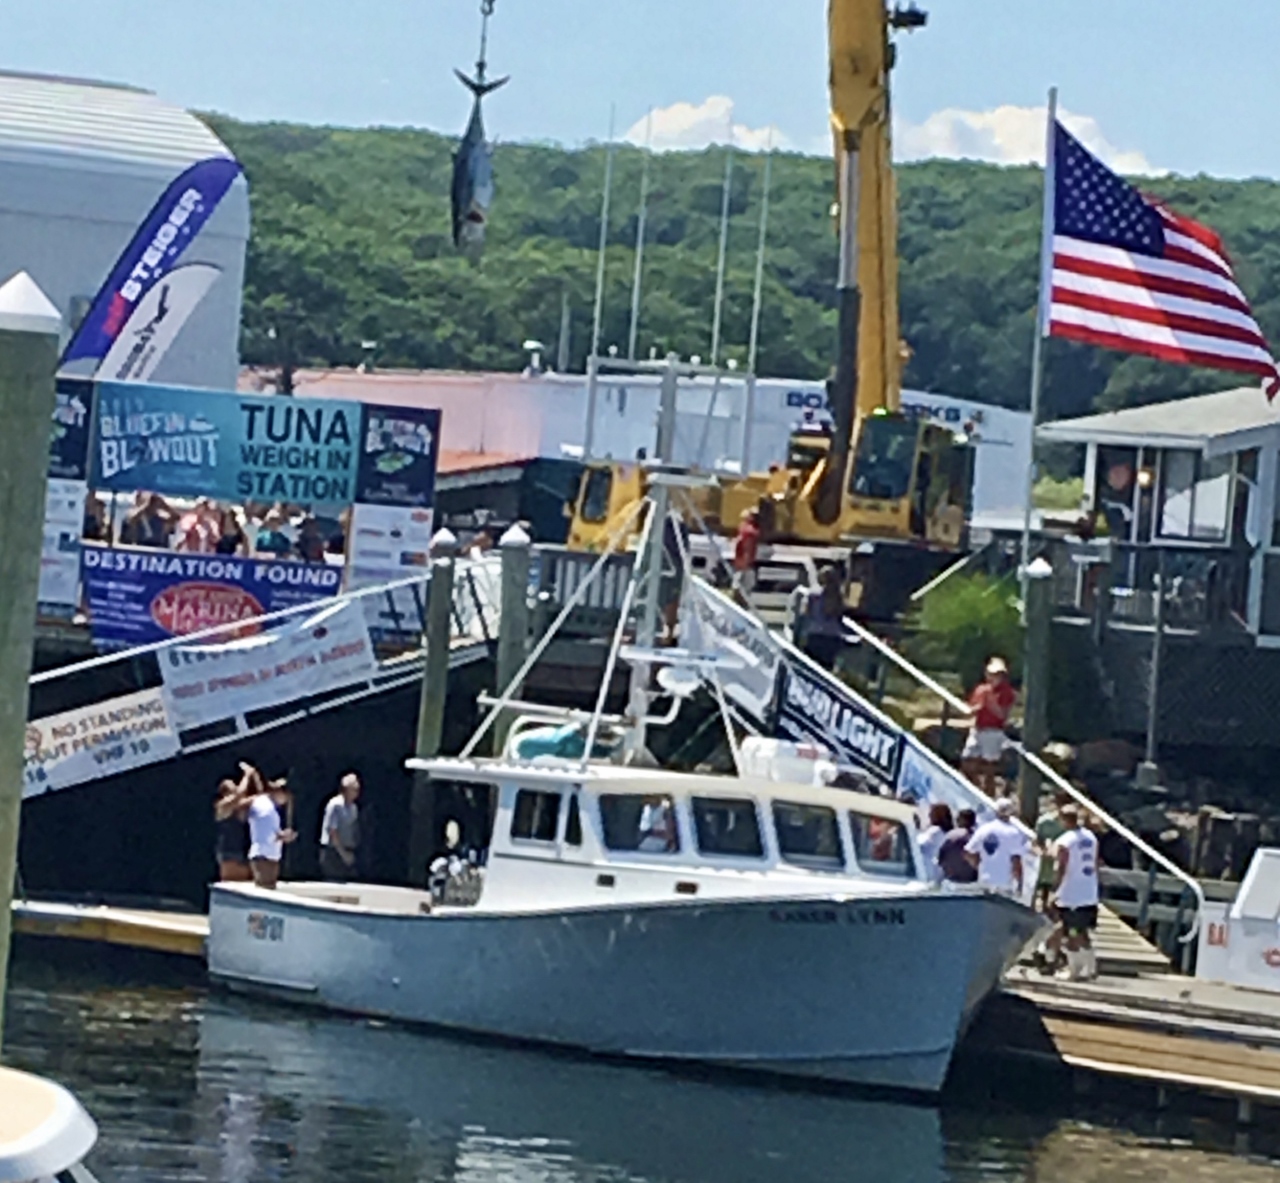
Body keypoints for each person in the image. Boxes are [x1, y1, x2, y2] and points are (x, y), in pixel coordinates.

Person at [1052, 803, 1100, 981]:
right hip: (1089, 892)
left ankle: (1074, 969)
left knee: (1071, 933)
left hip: (1071, 894)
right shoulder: (1091, 837)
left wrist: (1055, 889)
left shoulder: (1065, 841)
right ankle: (1090, 966)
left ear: (1064, 820)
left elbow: (1061, 867)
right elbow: (1095, 863)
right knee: (1082, 932)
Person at [961, 656, 1016, 796]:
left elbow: (1002, 715)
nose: (995, 677)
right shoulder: (981, 689)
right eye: (993, 674)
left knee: (989, 769)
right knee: (966, 761)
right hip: (978, 728)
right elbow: (972, 708)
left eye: (999, 674)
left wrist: (991, 702)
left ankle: (989, 796)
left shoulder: (1007, 692)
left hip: (993, 731)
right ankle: (977, 791)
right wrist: (974, 709)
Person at [964, 797, 1028, 896]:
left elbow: (968, 852)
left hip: (984, 882)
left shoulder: (983, 829)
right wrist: (1020, 885)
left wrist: (978, 865)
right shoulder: (1014, 833)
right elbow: (1016, 862)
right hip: (1004, 885)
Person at [247, 777, 297, 889]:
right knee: (264, 887)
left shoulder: (271, 807)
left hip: (272, 855)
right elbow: (264, 831)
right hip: (262, 854)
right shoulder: (264, 805)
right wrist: (281, 836)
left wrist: (282, 835)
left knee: (270, 886)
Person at [797, 566, 846, 671]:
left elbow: (805, 613)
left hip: (815, 634)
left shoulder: (813, 595)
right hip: (833, 637)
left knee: (810, 669)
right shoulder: (838, 596)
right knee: (826, 669)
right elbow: (839, 616)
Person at [213, 768, 255, 882]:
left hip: (243, 850)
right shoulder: (222, 806)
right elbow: (239, 794)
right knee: (232, 884)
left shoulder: (239, 808)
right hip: (229, 852)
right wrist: (247, 775)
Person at [319, 772, 362, 881]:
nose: (357, 792)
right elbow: (333, 831)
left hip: (348, 849)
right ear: (346, 789)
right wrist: (343, 854)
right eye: (354, 789)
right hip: (333, 852)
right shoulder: (335, 805)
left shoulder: (353, 807)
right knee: (334, 883)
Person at [938, 808, 979, 884]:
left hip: (953, 880)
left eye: (958, 818)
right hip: (972, 881)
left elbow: (941, 856)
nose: (956, 820)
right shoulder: (977, 837)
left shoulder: (952, 835)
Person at [917, 802, 954, 883]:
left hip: (926, 869)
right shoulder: (946, 832)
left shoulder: (935, 832)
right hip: (937, 871)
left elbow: (918, 845)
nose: (929, 815)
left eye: (931, 812)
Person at [732, 508, 761, 595]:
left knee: (739, 583)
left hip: (740, 560)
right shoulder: (751, 531)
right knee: (745, 584)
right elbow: (748, 546)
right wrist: (746, 561)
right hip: (745, 562)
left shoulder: (743, 527)